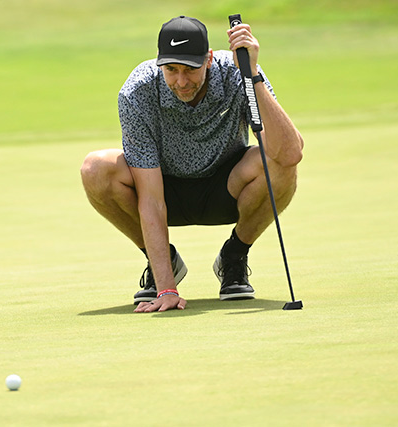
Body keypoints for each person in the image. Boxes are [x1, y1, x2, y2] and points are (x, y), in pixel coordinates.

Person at [80, 16, 303, 313]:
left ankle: (234, 256)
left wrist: (252, 75)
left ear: (208, 59)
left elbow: (289, 154)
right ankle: (162, 262)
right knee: (95, 168)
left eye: (190, 69)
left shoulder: (238, 72)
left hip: (229, 187)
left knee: (277, 164)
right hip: (163, 189)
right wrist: (166, 289)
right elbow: (150, 198)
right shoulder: (138, 92)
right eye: (171, 70)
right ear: (159, 62)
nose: (181, 81)